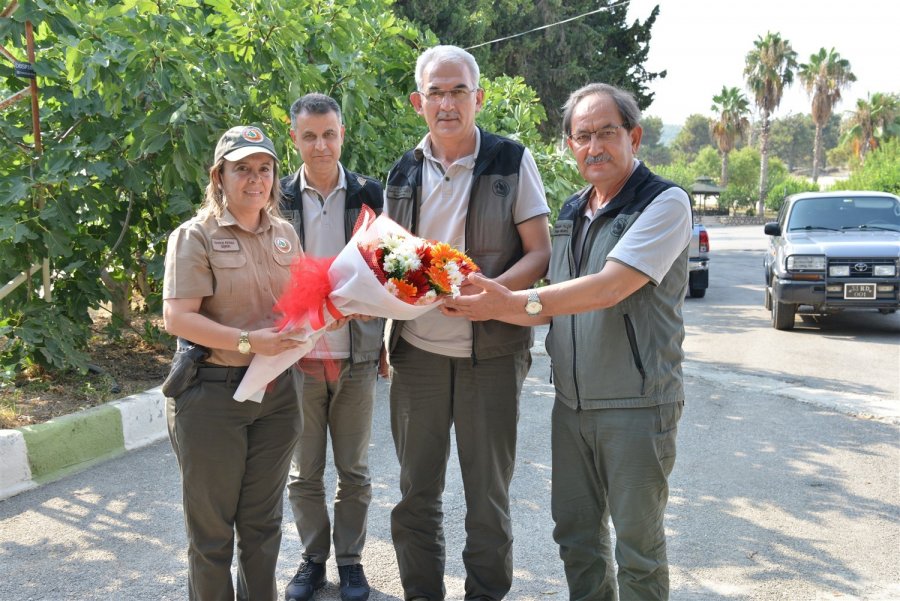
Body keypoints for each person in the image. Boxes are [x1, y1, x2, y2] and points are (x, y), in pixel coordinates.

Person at [444, 83, 692, 600]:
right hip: (572, 405)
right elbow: (555, 302)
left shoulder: (664, 203)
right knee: (576, 537)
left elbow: (608, 288)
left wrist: (508, 304)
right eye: (583, 136)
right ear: (569, 145)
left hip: (637, 404)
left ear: (635, 136)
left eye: (607, 132)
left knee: (638, 550)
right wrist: (484, 298)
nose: (595, 146)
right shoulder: (572, 209)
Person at [384, 45, 552, 600]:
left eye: (458, 91)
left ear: (479, 98)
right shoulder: (403, 171)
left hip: (493, 356)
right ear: (418, 102)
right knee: (415, 497)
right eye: (436, 92)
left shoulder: (510, 160)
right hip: (418, 356)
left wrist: (497, 297)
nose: (447, 103)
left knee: (488, 498)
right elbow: (390, 258)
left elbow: (539, 252)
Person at [163, 125, 308, 600]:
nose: (255, 179)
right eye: (242, 168)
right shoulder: (195, 237)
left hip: (277, 395)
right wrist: (250, 342)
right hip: (213, 395)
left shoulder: (284, 234)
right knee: (211, 537)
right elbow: (177, 318)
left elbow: (302, 304)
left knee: (264, 528)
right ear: (218, 176)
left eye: (264, 168)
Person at [279, 93, 384, 601]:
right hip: (297, 357)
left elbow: (392, 268)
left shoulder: (372, 196)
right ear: (294, 137)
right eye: (308, 135)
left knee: (354, 470)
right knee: (304, 472)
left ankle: (352, 561)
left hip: (357, 355)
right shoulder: (276, 199)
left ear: (343, 133)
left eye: (329, 134)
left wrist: (381, 316)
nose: (320, 145)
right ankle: (312, 560)